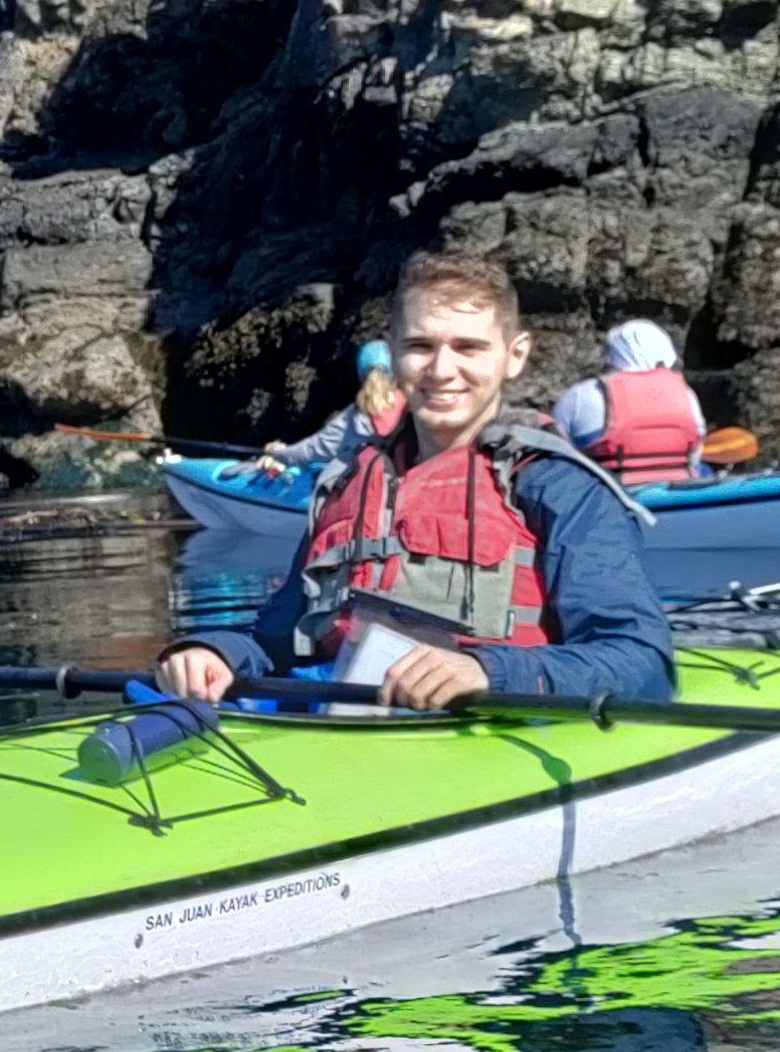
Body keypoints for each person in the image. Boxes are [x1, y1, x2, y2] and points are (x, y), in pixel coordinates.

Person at [153, 245, 674, 719]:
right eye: (420, 345)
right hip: (352, 734)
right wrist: (212, 651)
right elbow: (275, 640)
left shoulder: (556, 486)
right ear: (394, 351)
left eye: (468, 347)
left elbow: (641, 660)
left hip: (492, 737)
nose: (442, 369)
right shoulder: (345, 484)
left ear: (513, 355)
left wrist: (487, 672)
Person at [551, 314, 714, 486]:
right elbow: (695, 453)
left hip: (609, 490)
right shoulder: (685, 394)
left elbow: (556, 454)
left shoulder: (580, 395)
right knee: (704, 470)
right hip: (675, 485)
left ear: (612, 355)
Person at [247, 336, 400, 484]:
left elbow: (313, 450)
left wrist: (278, 453)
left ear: (360, 375)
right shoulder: (411, 409)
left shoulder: (353, 418)